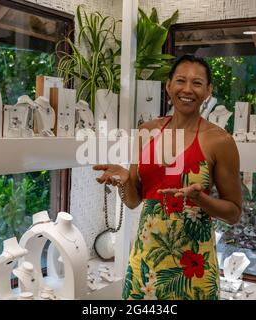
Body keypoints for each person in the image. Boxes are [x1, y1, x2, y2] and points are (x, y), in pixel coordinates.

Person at [93, 55, 242, 300]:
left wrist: (199, 199)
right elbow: (134, 201)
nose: (187, 89)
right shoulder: (146, 132)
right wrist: (124, 180)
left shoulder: (220, 141)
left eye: (197, 83)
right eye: (181, 80)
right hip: (145, 264)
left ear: (208, 91)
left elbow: (234, 212)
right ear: (168, 86)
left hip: (194, 271)